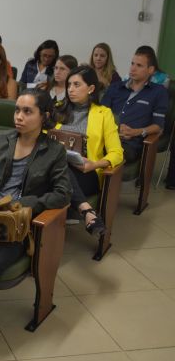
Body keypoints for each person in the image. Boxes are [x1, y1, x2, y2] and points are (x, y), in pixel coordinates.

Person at [0, 89, 71, 308]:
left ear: (44, 116)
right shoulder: (0, 139)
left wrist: (24, 204)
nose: (19, 116)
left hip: (16, 223)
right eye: (17, 110)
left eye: (28, 112)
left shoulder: (54, 151)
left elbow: (63, 194)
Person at [54, 65, 123, 235]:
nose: (71, 89)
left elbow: (117, 153)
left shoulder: (104, 114)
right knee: (57, 166)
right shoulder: (58, 109)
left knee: (58, 170)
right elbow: (45, 138)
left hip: (86, 173)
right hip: (56, 168)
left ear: (91, 88)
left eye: (77, 85)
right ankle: (87, 211)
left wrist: (94, 164)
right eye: (69, 85)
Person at [101, 46, 169, 164]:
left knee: (102, 153)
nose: (133, 68)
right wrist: (114, 130)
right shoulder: (116, 87)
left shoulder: (159, 92)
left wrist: (136, 132)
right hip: (105, 137)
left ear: (151, 70)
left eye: (139, 65)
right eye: (132, 64)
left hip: (129, 144)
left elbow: (158, 126)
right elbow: (100, 114)